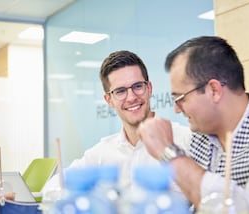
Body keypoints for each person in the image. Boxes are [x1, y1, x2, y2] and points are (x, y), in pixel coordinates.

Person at [138, 36, 249, 213]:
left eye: (181, 98)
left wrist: (169, 153)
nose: (177, 109)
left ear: (214, 90)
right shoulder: (202, 136)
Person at [43, 50, 192, 195]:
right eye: (120, 91)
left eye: (137, 86)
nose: (131, 97)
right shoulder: (101, 153)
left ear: (149, 88)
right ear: (109, 100)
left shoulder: (185, 140)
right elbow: (54, 187)